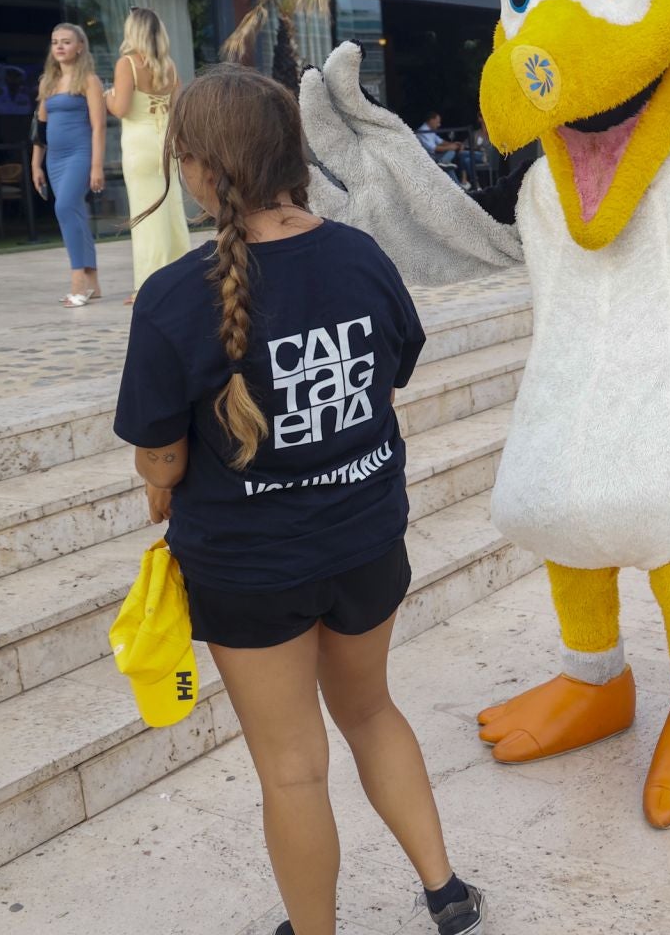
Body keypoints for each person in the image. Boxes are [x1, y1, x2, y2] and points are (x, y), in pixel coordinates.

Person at [116, 65, 486, 935]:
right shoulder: (360, 257)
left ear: (201, 168)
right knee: (371, 709)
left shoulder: (173, 297)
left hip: (252, 570)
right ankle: (447, 893)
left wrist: (163, 486)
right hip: (364, 541)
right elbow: (384, 383)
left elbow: (160, 457)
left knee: (291, 769)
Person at [109, 7, 190, 305]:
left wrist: (107, 97)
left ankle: (148, 284)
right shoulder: (169, 66)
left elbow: (121, 108)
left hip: (140, 143)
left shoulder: (127, 63)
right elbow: (178, 107)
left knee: (145, 215)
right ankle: (180, 276)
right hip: (166, 140)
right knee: (171, 208)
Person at [31, 22, 105, 306]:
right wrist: (36, 165)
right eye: (55, 42)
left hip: (80, 153)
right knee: (75, 214)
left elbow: (99, 127)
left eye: (66, 41)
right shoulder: (46, 82)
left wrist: (96, 166)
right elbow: (39, 129)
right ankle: (94, 284)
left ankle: (78, 282)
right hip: (54, 159)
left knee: (64, 208)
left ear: (80, 47)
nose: (59, 46)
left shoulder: (89, 81)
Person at [415, 113, 466, 184]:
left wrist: (454, 144)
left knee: (448, 167)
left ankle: (459, 187)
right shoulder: (423, 131)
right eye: (437, 122)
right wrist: (450, 147)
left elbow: (440, 141)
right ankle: (443, 162)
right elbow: (433, 148)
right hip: (427, 158)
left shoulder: (430, 130)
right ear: (431, 120)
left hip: (435, 157)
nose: (439, 125)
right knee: (449, 158)